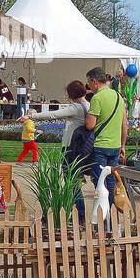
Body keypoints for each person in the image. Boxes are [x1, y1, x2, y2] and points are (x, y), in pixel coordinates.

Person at [31, 81, 90, 218]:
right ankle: (75, 212)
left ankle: (80, 214)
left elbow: (54, 114)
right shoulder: (88, 105)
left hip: (70, 147)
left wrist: (31, 116)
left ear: (72, 94)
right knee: (75, 180)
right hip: (81, 147)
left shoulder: (76, 107)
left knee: (72, 182)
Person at [84, 67, 127, 203]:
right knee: (110, 180)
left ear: (94, 81)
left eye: (89, 83)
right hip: (115, 145)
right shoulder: (118, 96)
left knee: (100, 180)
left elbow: (90, 125)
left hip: (101, 146)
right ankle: (111, 212)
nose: (89, 86)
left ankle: (103, 212)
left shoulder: (97, 98)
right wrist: (123, 145)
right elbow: (124, 124)